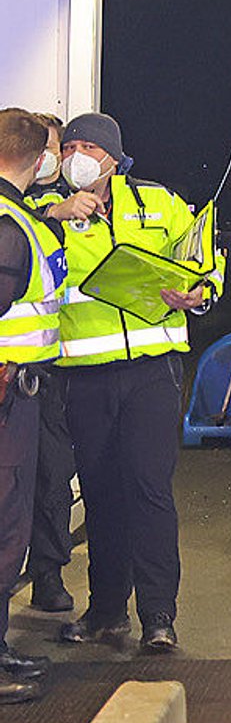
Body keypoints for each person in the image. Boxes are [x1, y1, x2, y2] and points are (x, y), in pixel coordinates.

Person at [44, 113, 211, 652]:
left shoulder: (157, 202)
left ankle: (159, 616)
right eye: (68, 146)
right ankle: (107, 612)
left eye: (88, 146)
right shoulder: (47, 212)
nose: (75, 155)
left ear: (113, 157)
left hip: (151, 371)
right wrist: (54, 214)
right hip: (85, 377)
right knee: (101, 496)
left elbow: (199, 259)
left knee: (149, 491)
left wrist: (201, 290)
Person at [0, 108, 65, 702]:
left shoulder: (19, 215)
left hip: (18, 393)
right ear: (33, 155)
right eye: (55, 149)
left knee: (9, 524)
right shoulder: (6, 224)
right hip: (3, 397)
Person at [18, 112, 75, 615]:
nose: (53, 157)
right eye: (48, 147)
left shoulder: (76, 208)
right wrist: (54, 214)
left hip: (58, 371)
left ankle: (48, 573)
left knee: (54, 480)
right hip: (16, 376)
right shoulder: (24, 210)